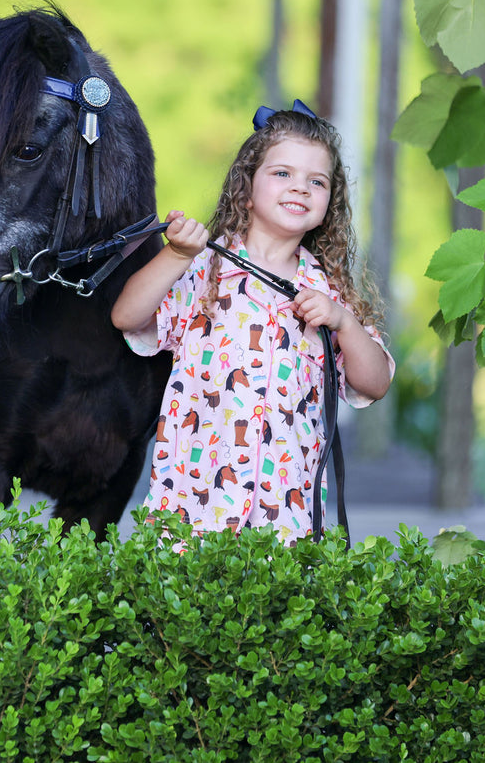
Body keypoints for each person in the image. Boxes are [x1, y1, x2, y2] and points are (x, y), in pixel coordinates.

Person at [111, 104, 394, 544]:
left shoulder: (328, 292)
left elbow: (374, 383)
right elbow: (127, 316)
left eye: (316, 181)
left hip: (288, 520)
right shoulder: (205, 271)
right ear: (245, 190)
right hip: (193, 511)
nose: (300, 187)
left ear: (329, 204)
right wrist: (177, 254)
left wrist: (344, 324)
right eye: (282, 174)